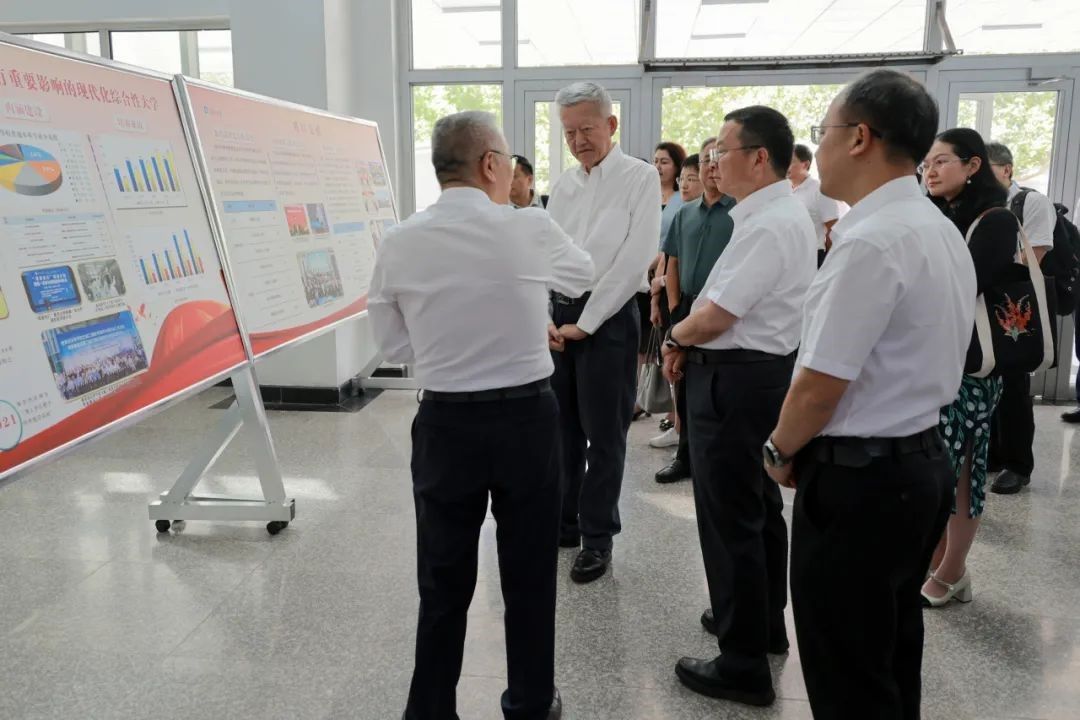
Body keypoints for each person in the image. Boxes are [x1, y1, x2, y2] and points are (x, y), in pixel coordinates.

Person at [369, 110, 594, 720]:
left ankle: (430, 709)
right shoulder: (529, 227)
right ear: (491, 164)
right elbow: (582, 274)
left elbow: (393, 345)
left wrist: (449, 344)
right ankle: (530, 702)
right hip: (527, 422)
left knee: (441, 579)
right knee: (528, 573)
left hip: (444, 424)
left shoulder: (398, 240)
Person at [764, 69, 974, 719]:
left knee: (847, 673)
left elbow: (819, 386)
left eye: (823, 131)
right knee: (889, 652)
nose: (819, 146)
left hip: (861, 484)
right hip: (919, 464)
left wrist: (778, 450)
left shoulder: (870, 241)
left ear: (859, 137)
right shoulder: (935, 226)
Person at [661, 106, 815, 707]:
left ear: (759, 157)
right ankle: (762, 622)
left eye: (722, 151)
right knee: (758, 510)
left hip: (736, 383)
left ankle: (742, 661)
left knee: (730, 520)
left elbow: (717, 315)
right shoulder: (767, 214)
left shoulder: (769, 223)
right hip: (758, 378)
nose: (712, 161)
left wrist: (674, 338)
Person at [547, 81, 661, 583]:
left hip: (609, 320)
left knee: (605, 437)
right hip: (560, 320)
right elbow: (545, 253)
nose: (578, 141)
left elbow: (634, 259)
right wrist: (547, 318)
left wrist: (586, 323)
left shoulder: (639, 177)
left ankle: (597, 539)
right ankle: (565, 523)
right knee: (562, 433)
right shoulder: (564, 185)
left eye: (587, 129)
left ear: (611, 125)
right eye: (569, 132)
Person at [921, 129, 1020, 607]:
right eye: (927, 163)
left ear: (973, 165)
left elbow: (963, 286)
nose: (931, 171)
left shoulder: (996, 220)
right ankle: (936, 557)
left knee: (963, 470)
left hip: (972, 367)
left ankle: (952, 569)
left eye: (942, 161)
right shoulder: (938, 214)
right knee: (936, 467)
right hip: (934, 359)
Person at [651, 141, 737, 483]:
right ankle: (685, 456)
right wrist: (674, 309)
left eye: (718, 159)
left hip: (722, 307)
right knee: (683, 384)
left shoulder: (740, 213)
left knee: (717, 388)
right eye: (705, 161)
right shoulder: (684, 213)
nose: (711, 167)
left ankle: (717, 459)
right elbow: (672, 263)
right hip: (686, 306)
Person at [985, 141, 1052, 494]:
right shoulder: (979, 204)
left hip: (1014, 304)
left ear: (1006, 169)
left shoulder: (1030, 203)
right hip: (984, 300)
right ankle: (994, 454)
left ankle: (1017, 464)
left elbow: (1033, 256)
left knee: (1013, 383)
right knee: (987, 377)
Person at [634, 141, 689, 422]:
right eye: (655, 161)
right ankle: (642, 396)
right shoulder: (646, 195)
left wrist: (653, 263)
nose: (658, 167)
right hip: (639, 276)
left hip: (664, 272)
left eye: (664, 162)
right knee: (643, 341)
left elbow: (671, 245)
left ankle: (672, 411)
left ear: (677, 166)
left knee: (665, 336)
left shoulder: (682, 199)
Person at [788, 143, 842, 266]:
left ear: (805, 164)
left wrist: (829, 262)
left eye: (790, 161)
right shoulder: (784, 190)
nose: (785, 165)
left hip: (813, 256)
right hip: (789, 256)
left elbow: (833, 228)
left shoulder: (820, 191)